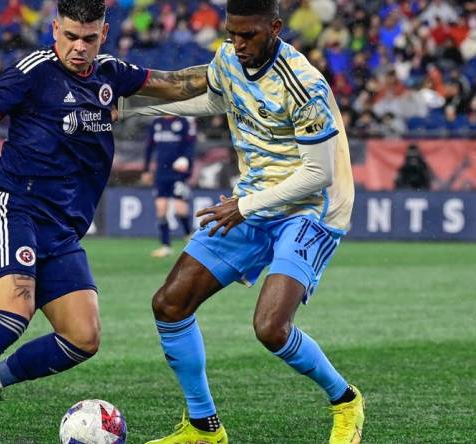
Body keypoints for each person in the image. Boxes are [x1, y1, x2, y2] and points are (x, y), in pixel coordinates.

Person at [0, 0, 209, 442]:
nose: (79, 48)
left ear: (103, 35)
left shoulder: (111, 74)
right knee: (14, 311)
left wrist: (235, 66)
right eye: (70, 37)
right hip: (14, 207)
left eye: (89, 38)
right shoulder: (33, 71)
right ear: (55, 30)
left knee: (82, 338)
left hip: (63, 230)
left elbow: (175, 85)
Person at [121, 0, 364, 442]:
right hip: (254, 199)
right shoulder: (230, 57)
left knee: (271, 327)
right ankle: (204, 427)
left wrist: (243, 207)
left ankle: (346, 400)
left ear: (274, 28)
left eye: (248, 35)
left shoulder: (304, 84)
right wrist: (130, 109)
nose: (237, 43)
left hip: (311, 209)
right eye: (232, 33)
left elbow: (318, 174)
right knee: (170, 304)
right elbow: (210, 98)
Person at [143, 116, 196, 258]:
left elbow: (190, 145)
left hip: (179, 174)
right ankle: (165, 246)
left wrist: (186, 160)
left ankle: (189, 236)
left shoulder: (183, 122)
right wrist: (146, 169)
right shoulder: (156, 123)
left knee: (180, 209)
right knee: (161, 209)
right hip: (161, 173)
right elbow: (149, 147)